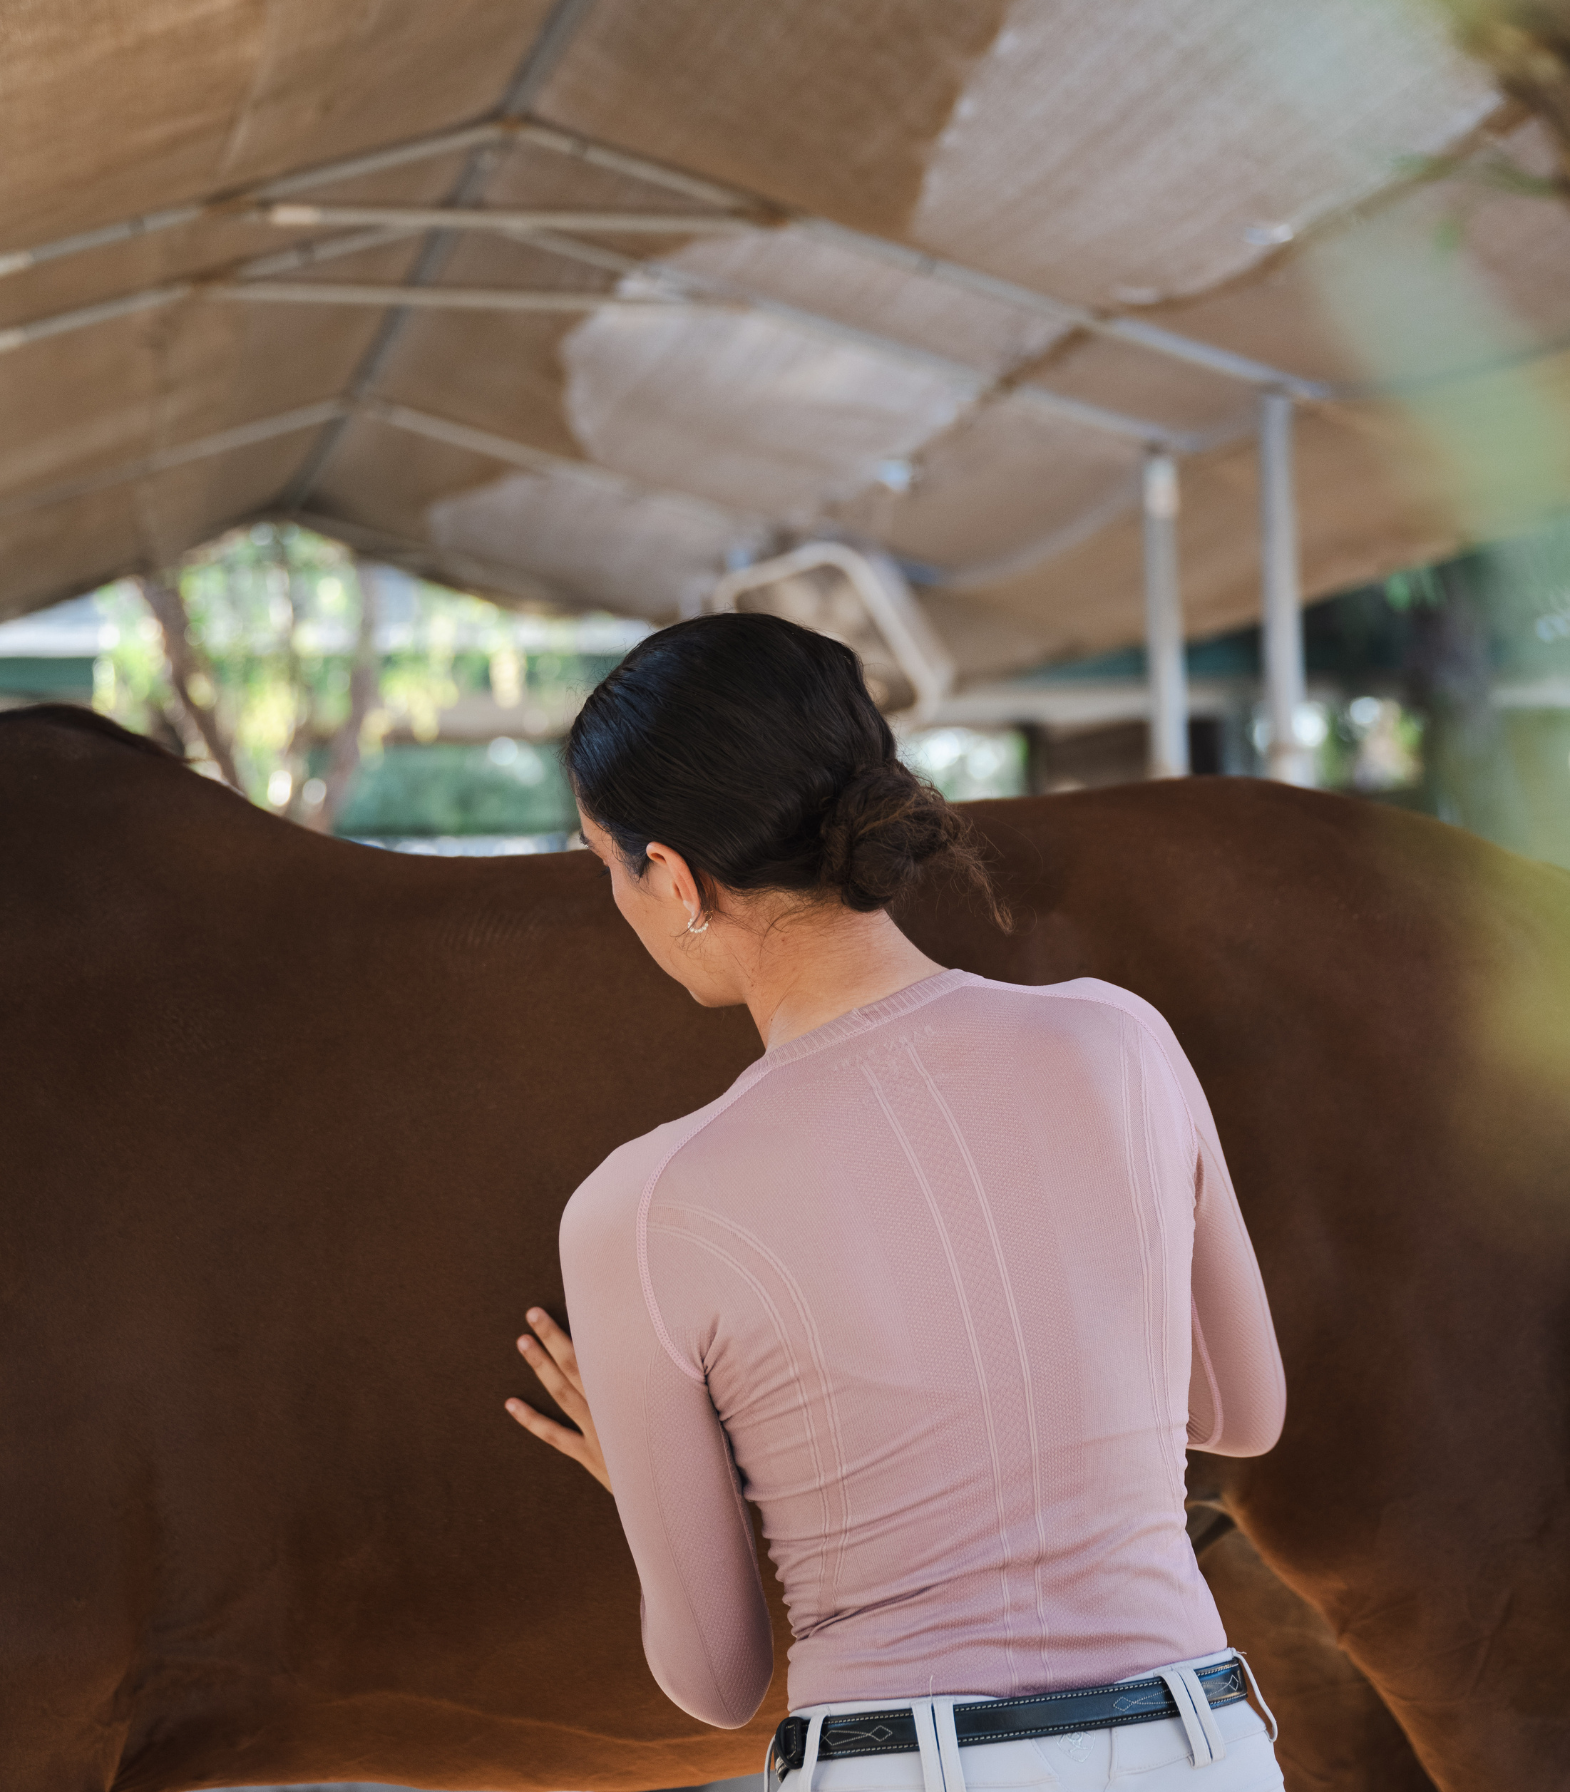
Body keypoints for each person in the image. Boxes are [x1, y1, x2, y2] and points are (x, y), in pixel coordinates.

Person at [504, 612, 1287, 1792]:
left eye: (602, 861)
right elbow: (1240, 1410)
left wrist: (656, 1482)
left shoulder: (640, 1203)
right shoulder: (1120, 1036)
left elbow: (715, 1678)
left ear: (670, 874)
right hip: (1202, 1748)